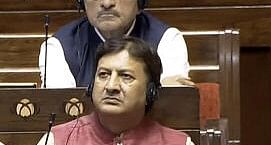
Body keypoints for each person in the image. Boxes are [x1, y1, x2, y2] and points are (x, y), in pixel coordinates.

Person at [31, 36, 217, 145]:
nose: (111, 86)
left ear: (150, 91)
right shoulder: (55, 143)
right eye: (103, 75)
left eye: (126, 76)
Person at [39, 0, 192, 88]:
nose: (106, 3)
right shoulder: (57, 47)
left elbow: (172, 107)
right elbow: (63, 116)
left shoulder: (167, 40)